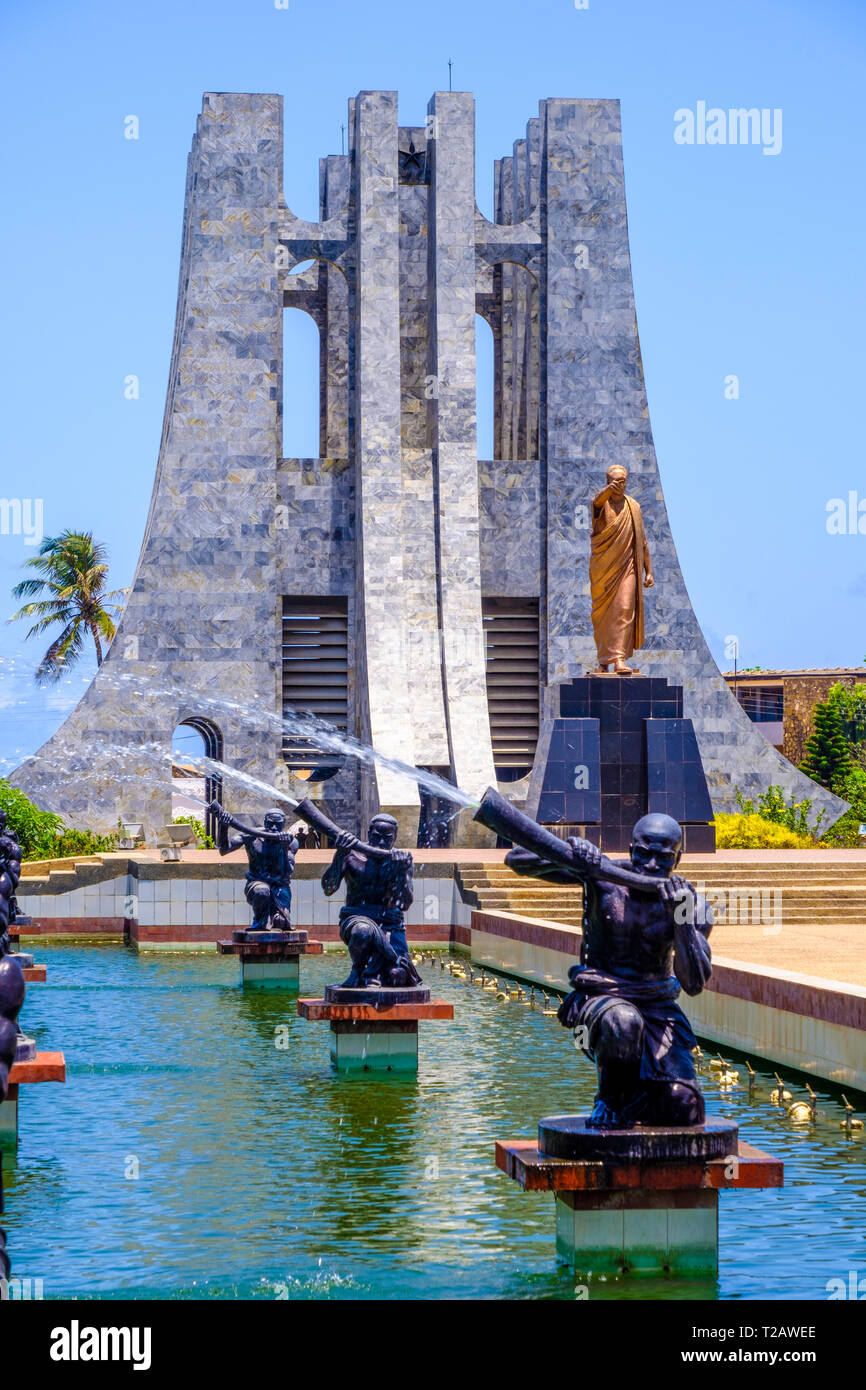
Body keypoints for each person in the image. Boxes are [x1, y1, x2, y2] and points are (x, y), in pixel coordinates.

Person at [506, 813, 712, 1128]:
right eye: (643, 853)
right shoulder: (603, 877)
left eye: (664, 858)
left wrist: (680, 921)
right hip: (601, 1004)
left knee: (684, 1109)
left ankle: (637, 1105)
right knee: (624, 1021)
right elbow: (517, 858)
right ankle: (610, 1102)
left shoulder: (693, 905)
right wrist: (577, 850)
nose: (652, 865)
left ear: (679, 857)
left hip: (657, 1007)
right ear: (631, 849)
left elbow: (693, 983)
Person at [321, 814, 420, 989]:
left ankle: (376, 974)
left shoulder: (399, 860)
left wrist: (401, 873)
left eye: (387, 838)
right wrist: (339, 855)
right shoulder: (351, 855)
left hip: (390, 926)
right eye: (376, 836)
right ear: (368, 833)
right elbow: (328, 888)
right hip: (356, 919)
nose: (381, 842)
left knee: (398, 977)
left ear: (395, 838)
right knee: (363, 930)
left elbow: (404, 904)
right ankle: (357, 971)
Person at [589, 463, 654, 674]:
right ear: (608, 482)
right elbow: (596, 501)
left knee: (625, 609)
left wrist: (649, 571)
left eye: (623, 481)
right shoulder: (601, 504)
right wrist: (608, 491)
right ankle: (603, 661)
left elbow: (642, 541)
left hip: (628, 567)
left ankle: (618, 658)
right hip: (604, 569)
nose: (620, 485)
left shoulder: (633, 507)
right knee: (604, 616)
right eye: (615, 481)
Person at [211, 800, 298, 931]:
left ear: (284, 825)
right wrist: (223, 827)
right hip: (257, 883)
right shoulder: (251, 835)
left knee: (280, 923)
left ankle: (274, 920)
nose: (274, 828)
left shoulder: (291, 842)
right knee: (262, 891)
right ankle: (260, 922)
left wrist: (284, 848)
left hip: (279, 886)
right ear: (265, 822)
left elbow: (287, 871)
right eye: (270, 823)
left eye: (278, 825)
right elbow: (224, 850)